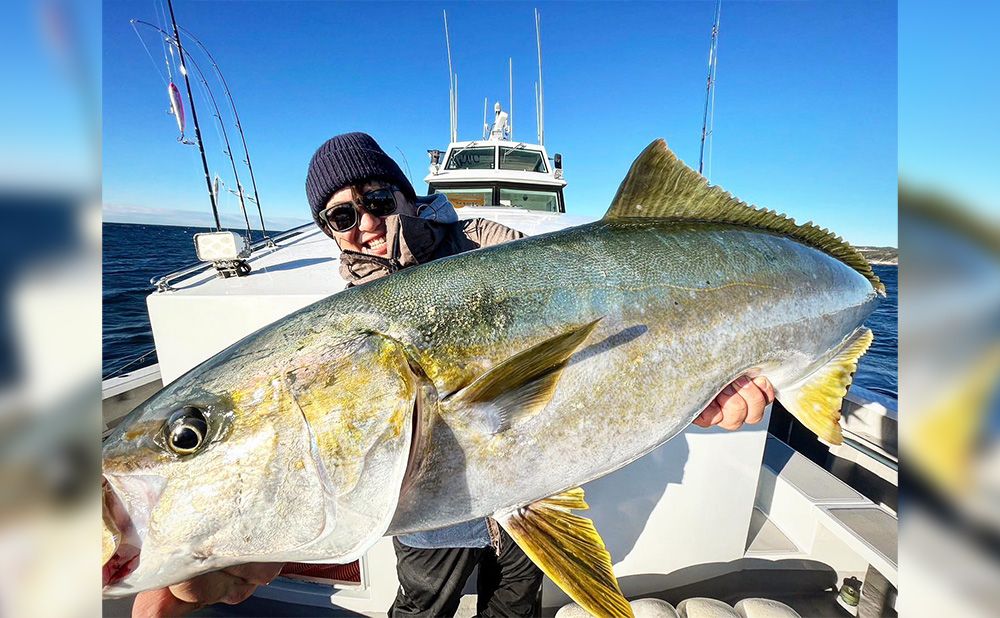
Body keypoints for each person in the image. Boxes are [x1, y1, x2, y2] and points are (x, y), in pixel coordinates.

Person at [132, 133, 775, 618]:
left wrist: (694, 378)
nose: (365, 224)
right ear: (329, 233)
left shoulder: (490, 247)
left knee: (515, 601)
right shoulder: (328, 331)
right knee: (423, 603)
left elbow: (601, 323)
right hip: (423, 511)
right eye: (340, 217)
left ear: (407, 194)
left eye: (377, 199)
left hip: (531, 486)